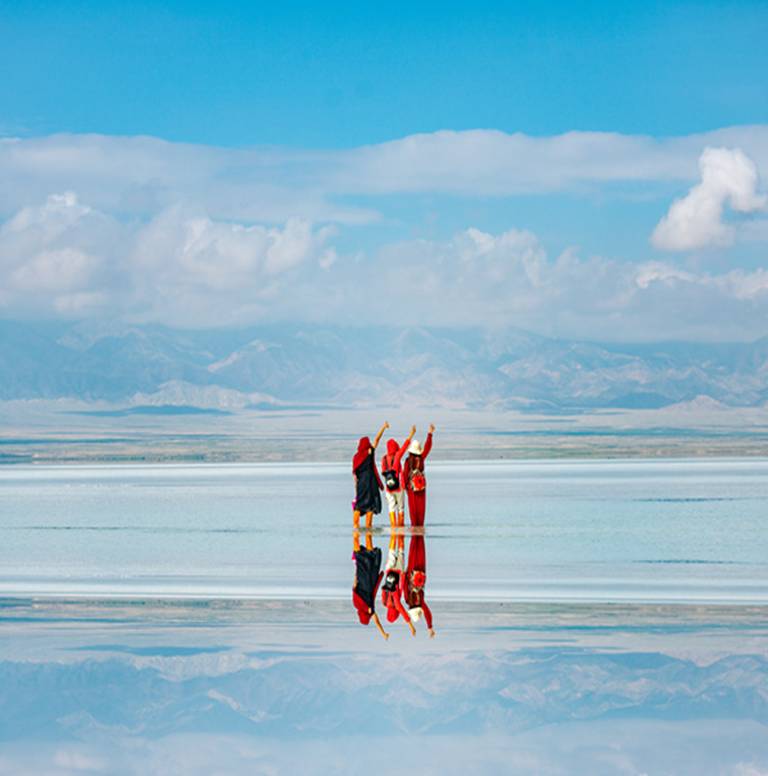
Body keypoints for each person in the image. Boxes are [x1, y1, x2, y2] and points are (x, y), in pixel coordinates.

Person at [352, 529, 389, 640]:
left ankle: (367, 532)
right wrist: (356, 573)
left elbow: (377, 622)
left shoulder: (369, 609)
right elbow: (354, 587)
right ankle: (356, 533)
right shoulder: (356, 604)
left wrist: (384, 633)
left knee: (371, 554)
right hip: (363, 577)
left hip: (371, 577)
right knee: (360, 556)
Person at [380, 527, 416, 636]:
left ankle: (400, 529)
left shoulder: (396, 604)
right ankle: (393, 532)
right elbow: (382, 588)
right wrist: (381, 575)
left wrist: (411, 626)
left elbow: (402, 610)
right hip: (389, 571)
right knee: (391, 550)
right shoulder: (384, 602)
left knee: (400, 549)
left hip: (399, 572)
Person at [352, 421, 389, 529]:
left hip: (361, 485)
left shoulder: (356, 457)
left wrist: (356, 490)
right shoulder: (369, 452)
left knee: (358, 506)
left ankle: (355, 529)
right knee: (370, 507)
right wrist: (383, 427)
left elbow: (355, 476)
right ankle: (368, 529)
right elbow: (377, 440)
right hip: (371, 483)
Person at [380, 425, 416, 528]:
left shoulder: (383, 459)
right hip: (399, 487)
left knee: (391, 508)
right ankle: (400, 527)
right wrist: (411, 434)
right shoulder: (397, 456)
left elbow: (383, 472)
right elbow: (405, 446)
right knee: (400, 507)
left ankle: (393, 528)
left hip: (389, 488)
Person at [400, 423, 435, 528]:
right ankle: (420, 528)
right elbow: (427, 448)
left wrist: (406, 488)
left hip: (411, 489)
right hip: (421, 488)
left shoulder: (407, 461)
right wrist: (430, 434)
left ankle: (414, 528)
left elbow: (405, 475)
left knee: (413, 510)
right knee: (421, 509)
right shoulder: (421, 458)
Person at [405, 533, 436, 638]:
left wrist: (430, 627)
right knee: (414, 541)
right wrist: (405, 572)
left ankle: (419, 525)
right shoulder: (408, 599)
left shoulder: (421, 602)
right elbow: (404, 584)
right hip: (411, 570)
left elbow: (428, 613)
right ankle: (415, 525)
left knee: (420, 540)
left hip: (421, 569)